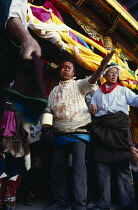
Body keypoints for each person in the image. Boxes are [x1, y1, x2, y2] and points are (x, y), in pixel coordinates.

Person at [43, 50, 115, 210]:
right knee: (58, 170)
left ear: (74, 73)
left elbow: (94, 77)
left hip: (79, 133)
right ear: (60, 71)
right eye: (63, 67)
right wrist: (46, 120)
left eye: (69, 67)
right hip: (59, 133)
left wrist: (103, 65)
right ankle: (59, 201)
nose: (66, 69)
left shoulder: (79, 85)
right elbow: (49, 108)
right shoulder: (54, 91)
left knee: (79, 169)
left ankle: (79, 203)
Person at [88, 63, 138, 210]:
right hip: (102, 132)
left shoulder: (124, 91)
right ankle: (104, 203)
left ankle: (127, 203)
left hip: (120, 133)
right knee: (102, 171)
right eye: (111, 72)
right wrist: (91, 108)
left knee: (123, 169)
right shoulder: (96, 94)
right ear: (104, 75)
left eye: (116, 72)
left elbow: (135, 100)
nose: (114, 74)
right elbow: (92, 110)